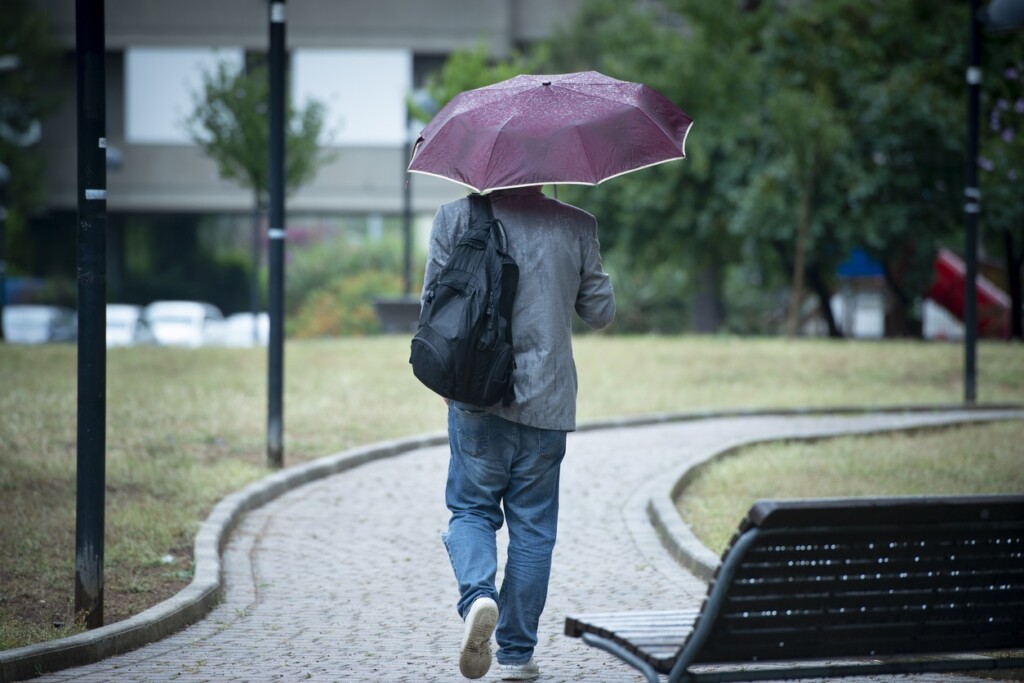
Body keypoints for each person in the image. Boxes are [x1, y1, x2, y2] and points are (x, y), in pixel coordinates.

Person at [422, 185, 616, 680]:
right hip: (547, 403)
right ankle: (515, 656)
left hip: (475, 395)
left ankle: (478, 597)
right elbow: (601, 312)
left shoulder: (454, 217)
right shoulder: (576, 223)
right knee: (533, 531)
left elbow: (432, 304)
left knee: (470, 510)